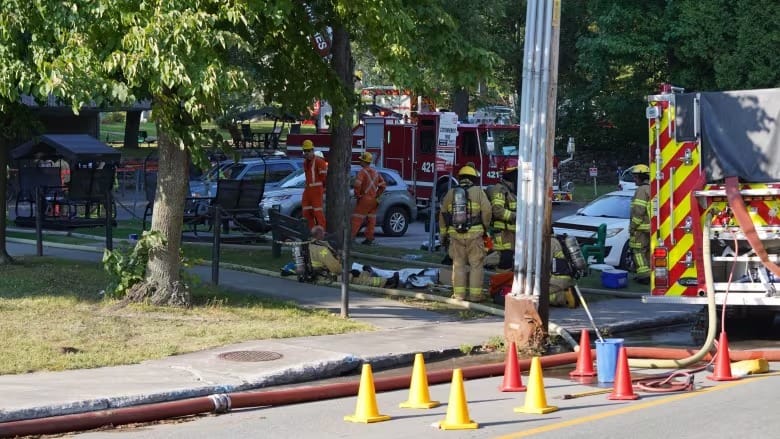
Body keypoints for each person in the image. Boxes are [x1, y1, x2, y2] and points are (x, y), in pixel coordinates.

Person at [438, 164, 492, 302]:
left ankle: (459, 295)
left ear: (460, 178)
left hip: (455, 236)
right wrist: (484, 228)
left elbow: (443, 215)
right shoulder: (478, 192)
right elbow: (487, 211)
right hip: (475, 235)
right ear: (473, 178)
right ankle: (475, 296)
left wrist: (443, 235)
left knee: (458, 265)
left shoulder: (451, 193)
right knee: (476, 265)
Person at [308, 226, 399, 288]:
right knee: (358, 280)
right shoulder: (321, 250)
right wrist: (348, 272)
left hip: (325, 275)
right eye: (323, 232)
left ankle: (369, 273)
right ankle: (388, 282)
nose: (325, 233)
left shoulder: (313, 245)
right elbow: (335, 268)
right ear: (319, 235)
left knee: (358, 274)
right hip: (327, 278)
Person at [486, 166, 518, 272]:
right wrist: (516, 216)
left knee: (508, 261)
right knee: (504, 261)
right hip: (503, 235)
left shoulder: (510, 192)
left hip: (510, 234)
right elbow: (498, 211)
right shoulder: (500, 190)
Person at [351, 152, 386, 245]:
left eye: (361, 160)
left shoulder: (362, 172)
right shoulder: (375, 172)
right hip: (374, 199)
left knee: (357, 218)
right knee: (371, 219)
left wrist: (357, 195)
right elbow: (383, 185)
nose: (359, 161)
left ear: (364, 161)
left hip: (365, 199)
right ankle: (369, 239)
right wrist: (377, 194)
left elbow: (357, 185)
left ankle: (351, 238)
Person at [629, 164, 652, 284]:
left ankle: (644, 276)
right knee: (648, 252)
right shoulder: (652, 188)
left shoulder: (641, 190)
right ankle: (649, 274)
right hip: (651, 228)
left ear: (641, 177)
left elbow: (639, 211)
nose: (634, 179)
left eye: (635, 176)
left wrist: (632, 227)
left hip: (641, 228)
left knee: (638, 251)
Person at [301, 139, 328, 230]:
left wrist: (321, 188)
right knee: (306, 212)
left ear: (312, 150)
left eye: (308, 151)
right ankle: (311, 232)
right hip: (308, 190)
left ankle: (321, 233)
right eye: (305, 151)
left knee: (318, 212)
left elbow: (323, 178)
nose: (307, 153)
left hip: (316, 190)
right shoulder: (305, 163)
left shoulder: (319, 161)